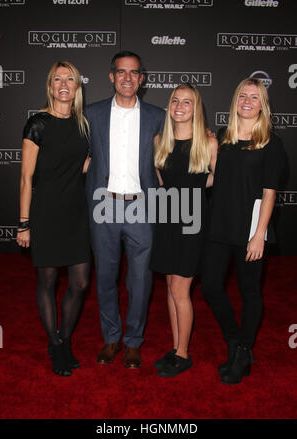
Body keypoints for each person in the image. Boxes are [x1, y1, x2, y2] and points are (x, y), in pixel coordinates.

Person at [201, 78, 285, 384]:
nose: (247, 101)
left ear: (262, 104)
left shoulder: (271, 143)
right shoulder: (222, 137)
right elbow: (212, 178)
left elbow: (269, 192)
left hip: (250, 228)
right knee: (210, 286)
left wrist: (259, 234)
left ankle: (244, 349)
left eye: (254, 97)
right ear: (235, 100)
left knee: (250, 291)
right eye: (242, 96)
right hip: (219, 225)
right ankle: (235, 341)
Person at [85, 51, 165, 369]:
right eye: (121, 72)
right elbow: (73, 151)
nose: (127, 78)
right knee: (105, 276)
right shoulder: (92, 114)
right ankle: (111, 337)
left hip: (141, 207)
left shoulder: (159, 116)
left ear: (142, 79)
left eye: (134, 73)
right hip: (103, 205)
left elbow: (177, 152)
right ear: (111, 76)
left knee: (140, 280)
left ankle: (133, 341)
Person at [17, 61, 91, 377]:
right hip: (45, 211)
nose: (64, 84)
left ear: (77, 87)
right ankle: (56, 343)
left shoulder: (83, 124)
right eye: (58, 79)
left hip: (76, 213)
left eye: (69, 79)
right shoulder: (38, 124)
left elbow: (83, 166)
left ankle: (64, 337)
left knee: (80, 282)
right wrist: (23, 223)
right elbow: (25, 176)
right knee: (47, 281)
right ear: (50, 86)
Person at [149, 83, 218, 377]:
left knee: (181, 289)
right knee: (169, 286)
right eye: (175, 100)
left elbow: (217, 178)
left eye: (187, 102)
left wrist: (193, 193)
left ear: (196, 107)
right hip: (166, 218)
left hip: (192, 222)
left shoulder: (208, 142)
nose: (179, 106)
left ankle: (183, 353)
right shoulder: (159, 141)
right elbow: (161, 180)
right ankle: (176, 345)